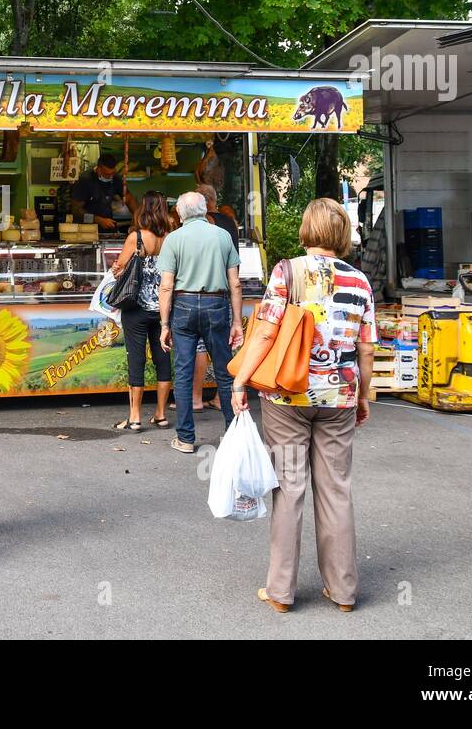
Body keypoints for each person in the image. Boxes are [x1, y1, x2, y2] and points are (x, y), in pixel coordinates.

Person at [228, 198, 375, 613]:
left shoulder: (287, 271)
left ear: (306, 229)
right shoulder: (361, 282)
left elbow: (265, 334)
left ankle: (280, 592)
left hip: (287, 396)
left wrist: (240, 381)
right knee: (336, 490)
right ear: (341, 233)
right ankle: (344, 593)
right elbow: (365, 350)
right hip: (340, 396)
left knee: (289, 488)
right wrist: (363, 397)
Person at [157, 191, 243, 453]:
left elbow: (166, 287)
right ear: (206, 210)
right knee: (224, 372)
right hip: (216, 305)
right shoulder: (223, 236)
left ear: (180, 213)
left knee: (183, 374)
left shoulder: (173, 239)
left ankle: (185, 439)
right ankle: (232, 436)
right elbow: (235, 283)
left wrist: (164, 325)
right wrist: (237, 321)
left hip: (183, 306)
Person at [109, 192, 175, 431]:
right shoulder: (171, 238)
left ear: (142, 210)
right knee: (163, 359)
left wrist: (116, 268)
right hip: (164, 308)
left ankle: (135, 417)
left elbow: (120, 270)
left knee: (135, 359)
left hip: (136, 307)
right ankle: (160, 414)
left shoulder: (135, 237)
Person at [192, 183, 240, 413]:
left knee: (201, 347)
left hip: (205, 290)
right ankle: (224, 399)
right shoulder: (230, 222)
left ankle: (196, 399)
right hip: (225, 290)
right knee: (222, 349)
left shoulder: (206, 223)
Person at [71, 152, 137, 235]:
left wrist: (136, 216)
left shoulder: (115, 178)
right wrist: (97, 220)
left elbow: (129, 199)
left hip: (107, 231)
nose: (110, 177)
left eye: (112, 173)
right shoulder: (85, 180)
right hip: (85, 230)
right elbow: (76, 210)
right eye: (106, 174)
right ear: (98, 169)